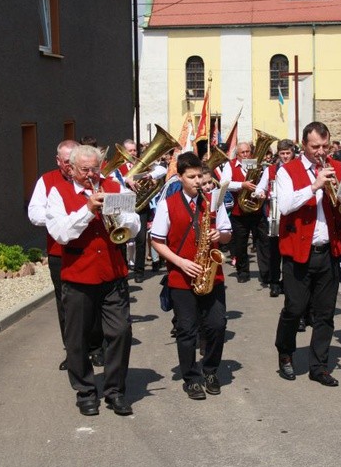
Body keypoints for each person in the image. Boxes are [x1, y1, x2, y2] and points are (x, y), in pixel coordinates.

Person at [46, 145, 140, 416]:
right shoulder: (58, 193)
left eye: (95, 169)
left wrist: (121, 217)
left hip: (113, 273)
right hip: (78, 276)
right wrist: (87, 210)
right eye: (84, 170)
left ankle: (115, 391)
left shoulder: (114, 186)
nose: (90, 174)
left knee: (121, 332)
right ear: (72, 169)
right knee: (77, 338)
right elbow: (61, 233)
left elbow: (134, 224)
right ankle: (86, 391)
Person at [151, 152, 232, 400]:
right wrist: (181, 263)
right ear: (180, 177)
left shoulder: (213, 202)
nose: (197, 181)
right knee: (187, 329)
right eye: (191, 177)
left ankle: (210, 370)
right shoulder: (168, 204)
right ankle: (191, 378)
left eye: (200, 176)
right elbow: (156, 241)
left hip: (211, 274)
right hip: (181, 276)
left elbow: (228, 234)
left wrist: (220, 236)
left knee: (217, 325)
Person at [274, 121, 341, 387]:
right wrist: (315, 186)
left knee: (325, 312)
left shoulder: (339, 168)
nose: (321, 151)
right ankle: (285, 353)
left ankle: (319, 366)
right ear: (304, 145)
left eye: (324, 146)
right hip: (297, 252)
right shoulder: (287, 171)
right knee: (294, 309)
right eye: (315, 146)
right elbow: (284, 206)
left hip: (328, 250)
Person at [28, 139, 103, 370]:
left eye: (74, 161)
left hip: (93, 249)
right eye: (66, 162)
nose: (70, 167)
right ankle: (73, 352)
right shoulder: (47, 181)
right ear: (59, 161)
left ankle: (97, 347)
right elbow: (34, 214)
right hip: (60, 251)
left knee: (96, 300)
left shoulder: (94, 179)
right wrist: (59, 216)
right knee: (67, 304)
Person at [115, 139, 167, 283]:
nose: (133, 153)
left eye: (134, 150)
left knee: (141, 239)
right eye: (130, 150)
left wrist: (149, 175)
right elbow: (110, 178)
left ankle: (139, 271)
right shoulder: (118, 165)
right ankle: (123, 271)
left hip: (141, 205)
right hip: (124, 205)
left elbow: (163, 169)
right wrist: (127, 180)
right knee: (122, 239)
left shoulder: (142, 163)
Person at [221, 141, 270, 284]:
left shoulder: (253, 163)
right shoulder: (231, 166)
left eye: (248, 151)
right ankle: (242, 272)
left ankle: (266, 273)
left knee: (263, 242)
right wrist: (242, 185)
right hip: (239, 212)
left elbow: (261, 183)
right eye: (243, 152)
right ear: (237, 154)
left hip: (256, 209)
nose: (246, 154)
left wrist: (260, 191)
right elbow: (224, 183)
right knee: (240, 244)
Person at [255, 139, 295, 298]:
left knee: (289, 252)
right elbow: (260, 187)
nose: (285, 157)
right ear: (278, 154)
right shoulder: (270, 170)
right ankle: (274, 282)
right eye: (282, 153)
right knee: (274, 251)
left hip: (291, 215)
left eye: (288, 153)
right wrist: (260, 193)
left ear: (293, 152)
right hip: (273, 215)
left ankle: (287, 282)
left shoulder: (297, 169)